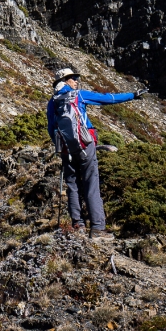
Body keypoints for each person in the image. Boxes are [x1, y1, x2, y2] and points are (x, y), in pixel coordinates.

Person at [47, 67, 147, 239]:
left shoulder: (53, 101)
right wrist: (132, 95)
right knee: (91, 183)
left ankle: (77, 225)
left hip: (65, 149)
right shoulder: (78, 95)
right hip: (85, 145)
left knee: (72, 185)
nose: (76, 80)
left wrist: (63, 146)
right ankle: (98, 228)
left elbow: (51, 127)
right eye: (73, 78)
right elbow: (108, 99)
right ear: (65, 81)